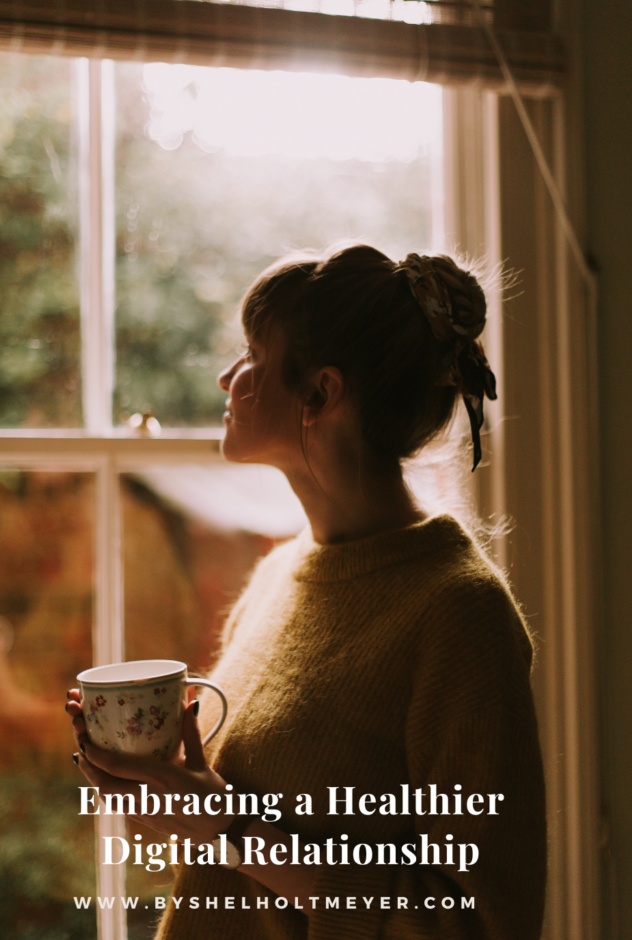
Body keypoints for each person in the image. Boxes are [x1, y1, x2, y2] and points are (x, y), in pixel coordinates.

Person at [66, 245, 546, 940]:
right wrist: (171, 799)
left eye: (252, 353)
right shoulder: (280, 575)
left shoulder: (457, 613)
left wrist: (228, 826)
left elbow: (481, 923)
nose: (228, 376)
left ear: (319, 393)